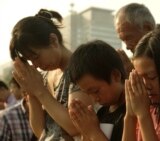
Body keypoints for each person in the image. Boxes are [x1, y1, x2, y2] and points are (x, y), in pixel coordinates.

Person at [10, 9, 92, 140]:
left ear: (53, 41)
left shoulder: (81, 68)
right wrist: (32, 93)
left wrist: (40, 91)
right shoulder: (44, 77)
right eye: (30, 60)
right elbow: (40, 131)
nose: (35, 65)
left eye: (36, 56)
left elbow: (75, 126)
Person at [68, 40, 126, 141]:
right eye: (87, 93)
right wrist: (84, 129)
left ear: (116, 76)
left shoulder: (132, 111)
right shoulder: (102, 113)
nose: (94, 99)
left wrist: (93, 132)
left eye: (95, 91)